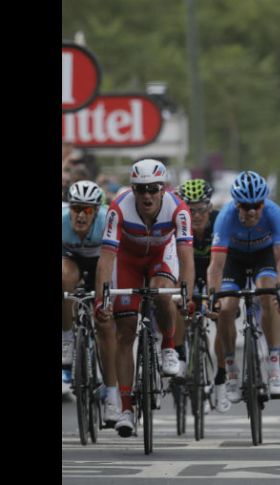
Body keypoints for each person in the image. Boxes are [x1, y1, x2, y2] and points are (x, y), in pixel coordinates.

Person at [94, 159, 195, 437]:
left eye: (153, 188)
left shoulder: (179, 209)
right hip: (127, 261)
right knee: (125, 331)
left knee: (162, 291)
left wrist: (186, 295)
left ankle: (168, 345)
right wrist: (102, 300)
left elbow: (186, 258)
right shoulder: (118, 208)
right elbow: (106, 259)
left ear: (163, 189)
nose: (147, 195)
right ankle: (126, 408)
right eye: (141, 189)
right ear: (133, 189)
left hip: (162, 255)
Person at [207, 171, 280, 409]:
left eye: (257, 205)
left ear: (264, 202)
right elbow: (216, 265)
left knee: (268, 293)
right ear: (237, 204)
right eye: (246, 206)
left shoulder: (275, 213)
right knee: (226, 308)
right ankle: (231, 368)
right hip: (233, 260)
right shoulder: (225, 218)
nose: (252, 211)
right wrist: (213, 297)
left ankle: (274, 365)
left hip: (263, 257)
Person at [174, 179, 225, 411]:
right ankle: (180, 355)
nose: (196, 215)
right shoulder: (176, 225)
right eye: (190, 210)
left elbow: (224, 264)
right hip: (187, 271)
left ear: (210, 207)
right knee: (179, 305)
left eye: (201, 209)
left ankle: (221, 374)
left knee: (222, 315)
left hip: (214, 271)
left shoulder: (219, 223)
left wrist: (217, 297)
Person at [62, 181, 107, 393]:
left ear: (96, 211)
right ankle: (67, 338)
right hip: (71, 259)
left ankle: (108, 380)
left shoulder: (106, 220)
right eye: (76, 208)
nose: (80, 215)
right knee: (64, 278)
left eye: (87, 210)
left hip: (100, 261)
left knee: (106, 315)